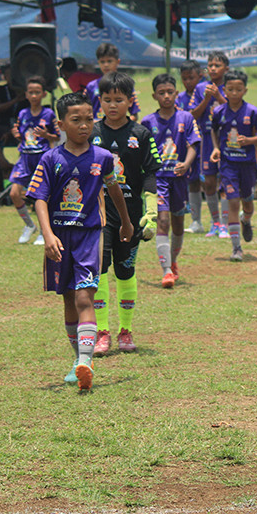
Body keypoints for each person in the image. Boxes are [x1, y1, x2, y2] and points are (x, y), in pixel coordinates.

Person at [26, 92, 133, 391]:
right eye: (76, 120)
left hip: (89, 236)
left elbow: (114, 191)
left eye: (89, 119)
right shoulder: (50, 159)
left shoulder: (101, 159)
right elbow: (39, 199)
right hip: (59, 239)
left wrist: (125, 221)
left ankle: (86, 360)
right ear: (60, 124)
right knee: (68, 299)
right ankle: (78, 359)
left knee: (85, 297)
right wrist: (47, 235)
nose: (84, 126)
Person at [90, 72, 161, 356]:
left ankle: (126, 330)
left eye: (118, 99)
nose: (113, 105)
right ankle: (103, 331)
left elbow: (151, 174)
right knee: (98, 271)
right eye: (107, 99)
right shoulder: (91, 133)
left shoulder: (141, 134)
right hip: (98, 217)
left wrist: (152, 212)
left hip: (130, 217)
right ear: (100, 101)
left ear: (130, 101)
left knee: (125, 271)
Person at [141, 73, 200, 288]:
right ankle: (166, 271)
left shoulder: (186, 118)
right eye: (161, 93)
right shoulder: (148, 122)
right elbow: (141, 151)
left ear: (176, 93)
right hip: (159, 179)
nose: (166, 96)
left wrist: (186, 163)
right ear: (154, 96)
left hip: (179, 179)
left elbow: (194, 144)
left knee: (178, 223)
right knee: (162, 221)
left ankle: (173, 262)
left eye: (170, 92)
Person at [210, 70, 257, 261]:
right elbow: (214, 131)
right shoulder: (219, 112)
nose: (234, 93)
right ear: (224, 90)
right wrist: (216, 148)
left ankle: (246, 219)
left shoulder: (252, 112)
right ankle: (236, 248)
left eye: (238, 89)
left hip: (247, 164)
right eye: (230, 89)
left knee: (247, 202)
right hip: (228, 165)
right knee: (232, 201)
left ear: (245, 90)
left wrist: (249, 140)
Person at [8, 76, 59, 245]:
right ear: (26, 94)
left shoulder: (48, 113)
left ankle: (45, 232)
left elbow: (57, 136)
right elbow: (21, 134)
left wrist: (47, 135)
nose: (34, 95)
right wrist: (16, 135)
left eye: (38, 92)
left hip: (41, 158)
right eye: (31, 92)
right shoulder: (22, 114)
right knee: (14, 193)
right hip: (25, 159)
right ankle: (29, 225)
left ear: (44, 94)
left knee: (41, 197)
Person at [189, 51, 230, 238]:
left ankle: (227, 224)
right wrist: (206, 99)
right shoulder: (200, 88)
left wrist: (219, 98)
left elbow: (234, 110)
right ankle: (215, 223)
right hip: (206, 139)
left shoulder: (231, 85)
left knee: (227, 181)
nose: (213, 68)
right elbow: (193, 115)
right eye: (210, 65)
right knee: (210, 182)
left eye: (217, 65)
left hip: (227, 140)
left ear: (226, 69)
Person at [177, 60, 206, 234]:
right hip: (187, 145)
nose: (188, 81)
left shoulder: (205, 93)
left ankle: (221, 220)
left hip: (207, 142)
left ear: (200, 76)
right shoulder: (179, 98)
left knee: (212, 181)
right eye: (184, 78)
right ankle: (196, 221)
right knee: (193, 181)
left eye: (191, 78)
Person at [84, 43, 141, 122]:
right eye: (102, 62)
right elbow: (84, 113)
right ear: (98, 63)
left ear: (118, 62)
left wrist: (119, 124)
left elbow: (134, 115)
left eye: (109, 61)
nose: (106, 65)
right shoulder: (91, 86)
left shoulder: (125, 85)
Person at [0, 65, 27, 142]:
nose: (12, 77)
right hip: (3, 124)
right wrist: (16, 100)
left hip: (22, 124)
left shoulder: (27, 92)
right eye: (9, 75)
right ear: (4, 77)